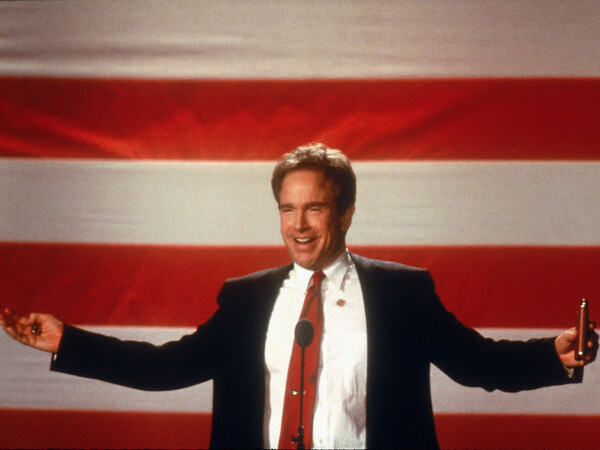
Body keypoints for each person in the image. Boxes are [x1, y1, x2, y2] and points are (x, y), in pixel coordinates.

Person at [1, 143, 598, 449]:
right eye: (287, 209)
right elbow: (166, 368)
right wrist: (67, 342)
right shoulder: (245, 299)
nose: (299, 225)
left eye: (314, 207)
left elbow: (476, 364)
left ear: (346, 212)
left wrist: (554, 354)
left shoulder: (402, 292)